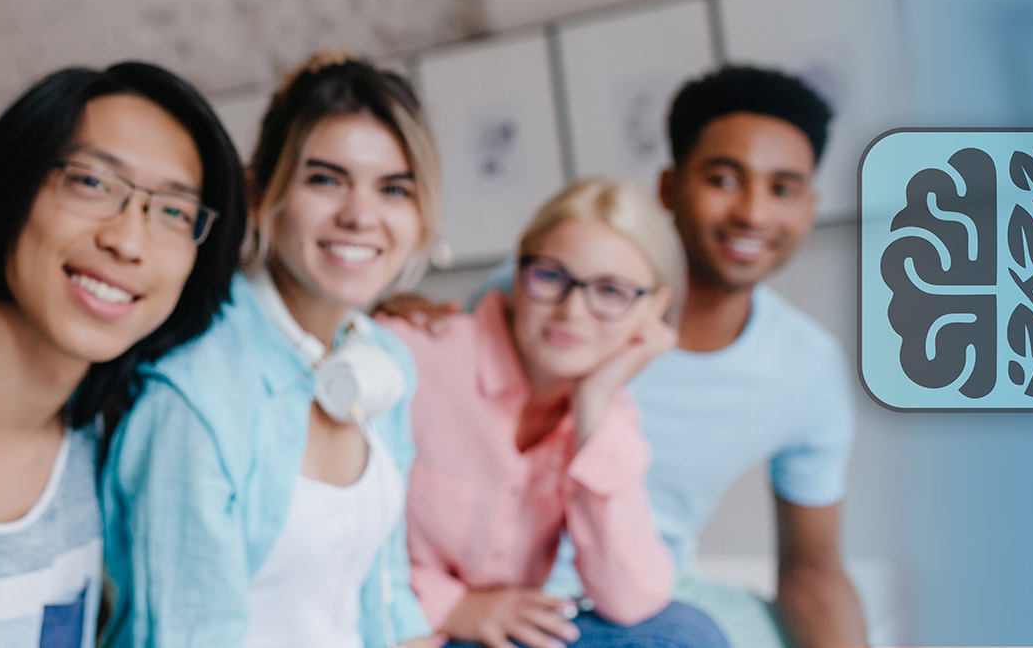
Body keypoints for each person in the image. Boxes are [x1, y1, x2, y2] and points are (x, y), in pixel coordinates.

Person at [379, 66, 867, 647]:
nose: (753, 214)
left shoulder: (807, 368)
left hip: (639, 589)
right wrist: (391, 315)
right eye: (724, 179)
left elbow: (812, 566)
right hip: (494, 589)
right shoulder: (532, 295)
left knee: (702, 630)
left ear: (810, 207)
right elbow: (450, 389)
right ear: (669, 187)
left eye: (782, 189)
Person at [0, 62, 246, 647]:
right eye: (92, 182)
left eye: (173, 211)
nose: (128, 240)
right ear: (9, 190)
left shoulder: (117, 443)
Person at [101, 52, 437, 648]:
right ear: (259, 195)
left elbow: (387, 598)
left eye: (394, 189)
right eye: (325, 179)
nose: (361, 216)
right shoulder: (193, 393)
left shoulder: (387, 359)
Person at [391, 179, 731, 648]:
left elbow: (630, 599)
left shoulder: (606, 409)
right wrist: (453, 606)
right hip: (394, 625)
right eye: (551, 277)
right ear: (518, 273)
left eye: (610, 291)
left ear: (655, 308)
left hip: (491, 635)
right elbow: (325, 535)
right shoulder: (418, 357)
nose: (572, 311)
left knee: (681, 634)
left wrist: (595, 403)